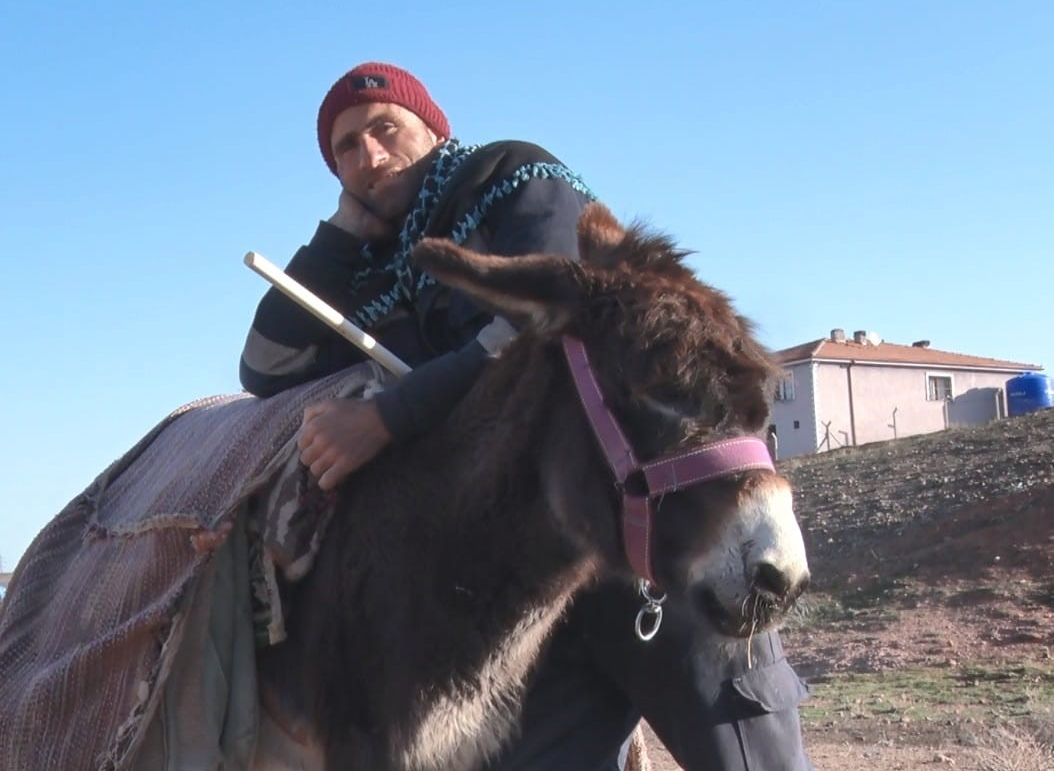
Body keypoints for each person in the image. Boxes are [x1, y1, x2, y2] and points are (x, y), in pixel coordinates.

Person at [240, 61, 812, 770]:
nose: (368, 158)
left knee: (747, 754)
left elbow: (545, 324)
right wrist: (339, 234)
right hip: (510, 598)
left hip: (633, 544)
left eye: (385, 130)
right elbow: (265, 366)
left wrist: (387, 417)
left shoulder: (509, 179)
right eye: (346, 150)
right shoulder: (368, 267)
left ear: (432, 127)